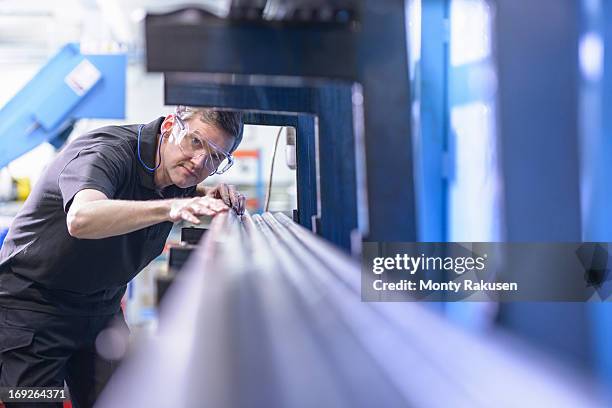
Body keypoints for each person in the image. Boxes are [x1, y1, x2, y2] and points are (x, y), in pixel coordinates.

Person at [0, 105, 245, 407]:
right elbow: (82, 217)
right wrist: (171, 208)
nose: (199, 161)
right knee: (33, 400)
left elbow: (178, 188)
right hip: (33, 312)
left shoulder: (178, 175)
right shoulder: (105, 153)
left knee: (120, 399)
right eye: (196, 142)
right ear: (170, 124)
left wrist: (202, 196)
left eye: (216, 157)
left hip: (101, 311)